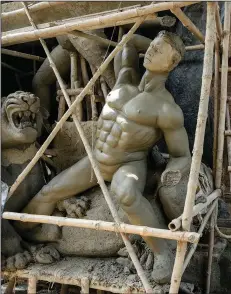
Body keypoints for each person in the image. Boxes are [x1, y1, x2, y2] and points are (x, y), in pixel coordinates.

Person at [15, 31, 191, 283]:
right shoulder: (125, 77)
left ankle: (163, 251)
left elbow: (181, 153)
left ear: (171, 64)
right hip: (97, 159)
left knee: (127, 194)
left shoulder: (167, 108)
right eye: (152, 44)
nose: (151, 50)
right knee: (49, 192)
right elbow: (128, 41)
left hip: (129, 162)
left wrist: (171, 173)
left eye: (159, 50)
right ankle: (19, 232)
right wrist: (153, 36)